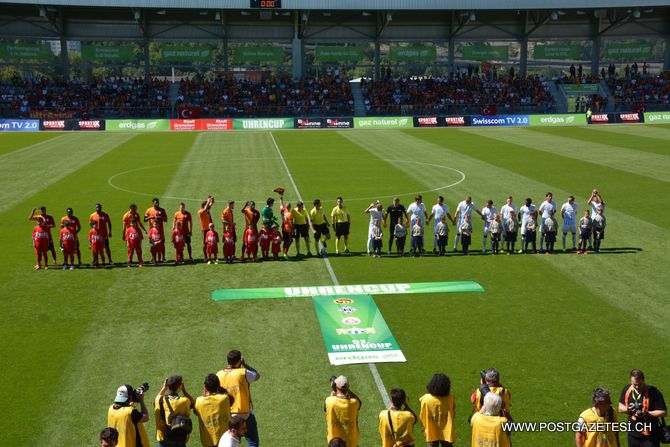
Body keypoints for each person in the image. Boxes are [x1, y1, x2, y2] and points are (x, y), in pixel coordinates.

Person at [216, 350, 261, 447]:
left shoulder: (218, 375)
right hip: (244, 414)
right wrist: (244, 364)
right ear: (239, 361)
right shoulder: (243, 372)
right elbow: (257, 375)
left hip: (227, 415)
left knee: (231, 439)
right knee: (252, 442)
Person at [618, 369, 667, 447]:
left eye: (639, 384)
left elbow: (663, 412)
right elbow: (620, 407)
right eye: (634, 384)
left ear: (643, 380)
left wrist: (646, 413)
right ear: (630, 381)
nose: (637, 387)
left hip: (650, 436)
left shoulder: (654, 392)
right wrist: (629, 409)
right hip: (633, 434)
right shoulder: (627, 389)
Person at [154, 375, 195, 447]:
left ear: (168, 386)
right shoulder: (184, 401)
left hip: (163, 439)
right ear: (180, 387)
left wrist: (164, 388)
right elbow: (194, 403)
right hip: (179, 439)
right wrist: (184, 391)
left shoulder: (159, 400)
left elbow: (156, 399)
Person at [195, 374, 233, 447]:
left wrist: (204, 394)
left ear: (205, 387)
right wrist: (222, 389)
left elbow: (196, 411)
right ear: (218, 386)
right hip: (225, 441)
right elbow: (231, 399)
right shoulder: (224, 399)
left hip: (208, 441)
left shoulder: (199, 401)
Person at [419, 373, 455, 447]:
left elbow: (422, 415)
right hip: (446, 432)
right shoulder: (450, 398)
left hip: (431, 430)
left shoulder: (425, 399)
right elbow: (453, 413)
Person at [325, 376, 361, 447]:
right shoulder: (354, 403)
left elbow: (325, 408)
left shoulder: (329, 401)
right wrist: (348, 390)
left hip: (334, 444)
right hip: (352, 443)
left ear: (336, 387)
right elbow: (359, 402)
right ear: (348, 388)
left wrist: (332, 394)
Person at [144, 198, 168, 262]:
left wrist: (160, 217)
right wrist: (150, 217)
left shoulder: (162, 210)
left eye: (157, 202)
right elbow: (144, 219)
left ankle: (163, 257)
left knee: (162, 244)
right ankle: (153, 258)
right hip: (152, 231)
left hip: (160, 231)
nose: (157, 203)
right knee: (153, 245)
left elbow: (166, 219)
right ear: (153, 203)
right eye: (155, 202)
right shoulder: (149, 210)